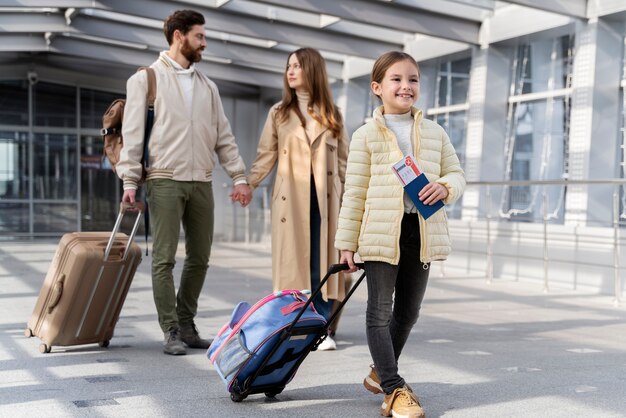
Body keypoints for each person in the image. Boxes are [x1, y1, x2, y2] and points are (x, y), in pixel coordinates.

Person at [335, 51, 465, 418]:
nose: (406, 86)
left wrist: (445, 186)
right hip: (379, 232)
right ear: (377, 87)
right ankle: (394, 389)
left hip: (420, 230)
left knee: (408, 311)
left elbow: (457, 173)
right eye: (396, 79)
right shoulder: (364, 136)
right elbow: (354, 191)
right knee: (379, 311)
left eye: (413, 79)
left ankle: (379, 373)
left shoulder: (435, 132)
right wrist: (346, 242)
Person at [116, 9, 251, 356]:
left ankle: (187, 323)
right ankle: (171, 329)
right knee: (163, 259)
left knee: (200, 257)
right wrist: (130, 181)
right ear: (179, 36)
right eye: (199, 36)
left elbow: (224, 137)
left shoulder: (208, 87)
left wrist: (239, 176)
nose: (204, 43)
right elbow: (132, 136)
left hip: (201, 181)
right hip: (164, 180)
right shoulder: (146, 80)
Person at [234, 48, 349, 351]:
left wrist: (355, 205)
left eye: (297, 65)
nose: (291, 71)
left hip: (326, 202)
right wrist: (249, 183)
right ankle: (295, 323)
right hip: (290, 200)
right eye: (289, 66)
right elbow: (265, 155)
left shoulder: (332, 114)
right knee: (293, 265)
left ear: (312, 70)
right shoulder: (279, 113)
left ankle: (321, 327)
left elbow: (344, 165)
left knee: (323, 264)